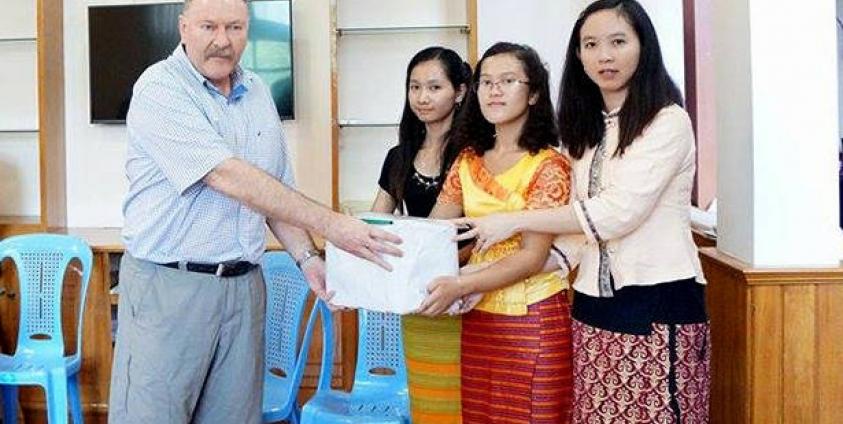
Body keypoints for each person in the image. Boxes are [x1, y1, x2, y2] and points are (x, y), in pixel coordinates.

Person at [109, 0, 401, 423]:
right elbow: (226, 176)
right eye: (209, 26)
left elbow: (273, 189)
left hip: (245, 289)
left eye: (235, 27)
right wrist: (334, 226)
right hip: (170, 288)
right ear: (183, 27)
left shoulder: (258, 91)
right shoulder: (160, 88)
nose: (222, 41)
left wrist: (307, 258)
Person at [454, 1, 711, 422]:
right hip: (591, 304)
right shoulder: (588, 130)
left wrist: (514, 220)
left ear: (643, 46)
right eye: (590, 44)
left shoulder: (668, 120)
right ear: (578, 55)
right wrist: (483, 281)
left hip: (659, 300)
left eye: (618, 42)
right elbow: (575, 235)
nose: (604, 56)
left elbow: (616, 213)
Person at [420, 42, 574, 424]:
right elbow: (436, 235)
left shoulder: (549, 164)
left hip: (533, 316)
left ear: (534, 92)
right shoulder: (468, 159)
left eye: (508, 81)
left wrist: (459, 285)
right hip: (478, 315)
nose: (494, 90)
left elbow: (530, 257)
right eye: (486, 82)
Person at [371, 46, 470, 424]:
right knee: (427, 405)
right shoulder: (399, 155)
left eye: (434, 87)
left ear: (459, 91)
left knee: (464, 405)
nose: (422, 97)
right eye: (415, 87)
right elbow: (377, 221)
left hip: (466, 293)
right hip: (417, 298)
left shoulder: (475, 153)